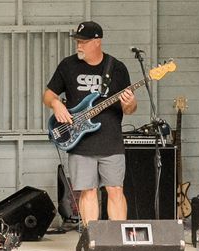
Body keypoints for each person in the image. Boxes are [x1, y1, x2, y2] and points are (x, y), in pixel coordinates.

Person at [43, 21, 137, 226]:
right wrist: (56, 104)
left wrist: (131, 104)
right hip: (80, 140)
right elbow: (48, 95)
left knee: (115, 190)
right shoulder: (68, 66)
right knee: (88, 190)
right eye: (77, 41)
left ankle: (118, 238)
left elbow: (128, 110)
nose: (79, 45)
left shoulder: (117, 68)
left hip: (110, 140)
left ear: (97, 41)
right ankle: (91, 238)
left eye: (83, 42)